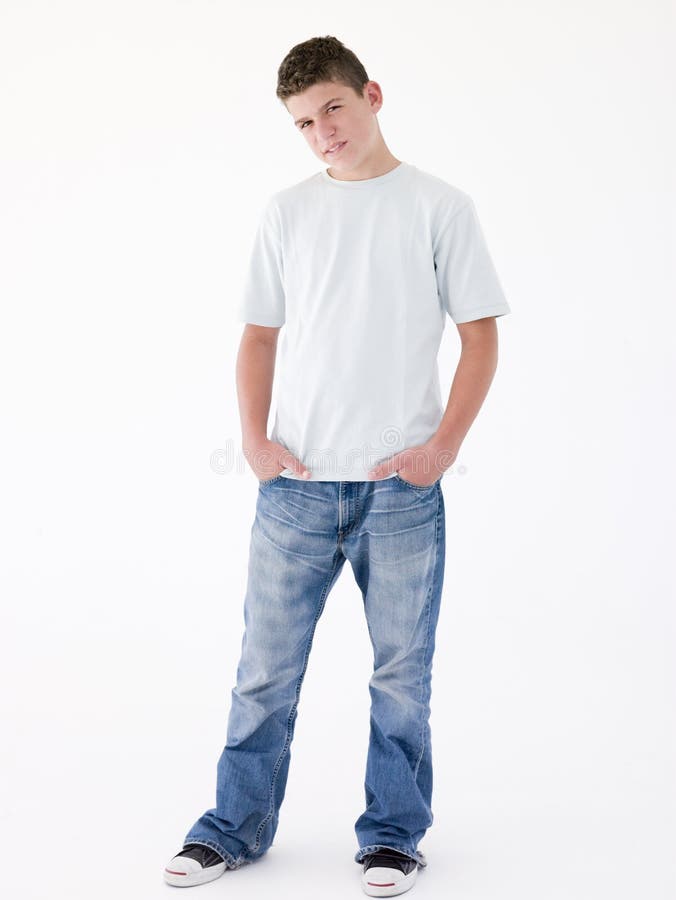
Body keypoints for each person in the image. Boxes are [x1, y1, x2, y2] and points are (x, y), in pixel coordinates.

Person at [163, 34, 511, 897]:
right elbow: (258, 335)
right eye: (303, 122)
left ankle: (392, 836)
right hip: (296, 493)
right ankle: (231, 829)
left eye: (333, 109)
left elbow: (480, 336)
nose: (322, 132)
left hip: (401, 491)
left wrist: (442, 450)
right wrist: (255, 444)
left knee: (401, 677)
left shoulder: (440, 207)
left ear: (372, 96)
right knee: (264, 673)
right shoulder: (287, 212)